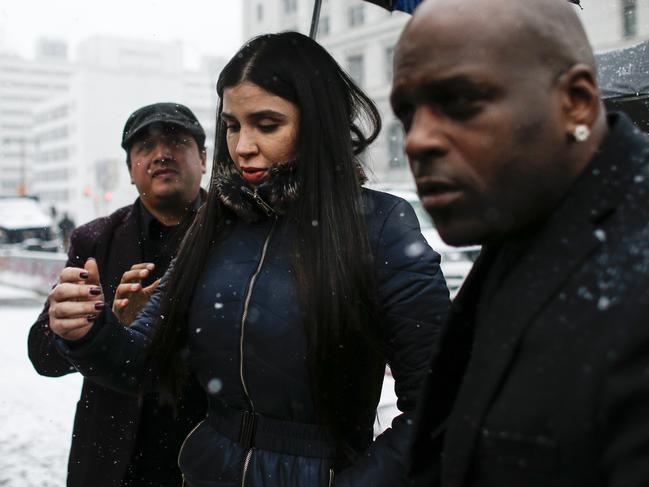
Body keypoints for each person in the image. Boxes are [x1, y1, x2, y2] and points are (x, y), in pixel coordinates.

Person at [45, 32, 451, 486]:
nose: (242, 147)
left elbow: (439, 409)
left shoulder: (381, 224)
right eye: (233, 125)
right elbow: (142, 361)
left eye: (267, 124)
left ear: (316, 123)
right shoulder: (215, 224)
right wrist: (88, 335)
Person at [390, 0, 649, 485]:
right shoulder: (521, 220)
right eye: (408, 113)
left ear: (575, 101)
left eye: (461, 101)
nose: (416, 140)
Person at [28, 102, 208, 487]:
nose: (161, 154)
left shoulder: (237, 234)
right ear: (129, 170)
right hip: (110, 458)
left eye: (176, 140)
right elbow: (42, 354)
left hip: (205, 454)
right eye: (144, 146)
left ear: (204, 158)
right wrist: (97, 327)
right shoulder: (94, 240)